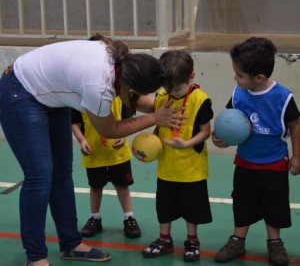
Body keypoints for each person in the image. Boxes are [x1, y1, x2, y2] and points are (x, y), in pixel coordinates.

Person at [0, 36, 186, 266]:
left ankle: (71, 244)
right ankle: (35, 257)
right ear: (131, 85)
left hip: (50, 94)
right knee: (39, 177)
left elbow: (135, 98)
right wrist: (155, 118)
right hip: (21, 91)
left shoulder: (125, 61)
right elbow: (111, 129)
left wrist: (172, 105)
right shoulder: (98, 85)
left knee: (61, 174)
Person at [212, 37, 300, 266]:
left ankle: (275, 242)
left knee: (275, 204)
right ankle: (237, 239)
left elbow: (295, 125)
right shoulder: (239, 94)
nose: (235, 78)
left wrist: (297, 155)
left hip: (273, 163)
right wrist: (219, 136)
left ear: (259, 77)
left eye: (239, 75)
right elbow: (230, 122)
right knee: (242, 202)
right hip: (245, 162)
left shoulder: (283, 97)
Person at [142, 50, 214, 262]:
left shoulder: (200, 100)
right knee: (164, 207)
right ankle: (165, 239)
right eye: (167, 88)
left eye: (177, 88)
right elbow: (158, 126)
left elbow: (205, 131)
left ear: (191, 76)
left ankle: (192, 240)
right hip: (166, 168)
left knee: (192, 210)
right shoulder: (162, 97)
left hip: (192, 170)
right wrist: (149, 145)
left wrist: (187, 144)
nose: (172, 92)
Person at [71, 97, 141, 239]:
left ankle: (129, 217)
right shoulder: (81, 96)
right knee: (95, 186)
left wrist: (124, 135)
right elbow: (73, 122)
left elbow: (128, 120)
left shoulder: (119, 95)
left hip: (118, 153)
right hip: (93, 152)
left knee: (122, 186)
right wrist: (81, 140)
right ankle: (95, 218)